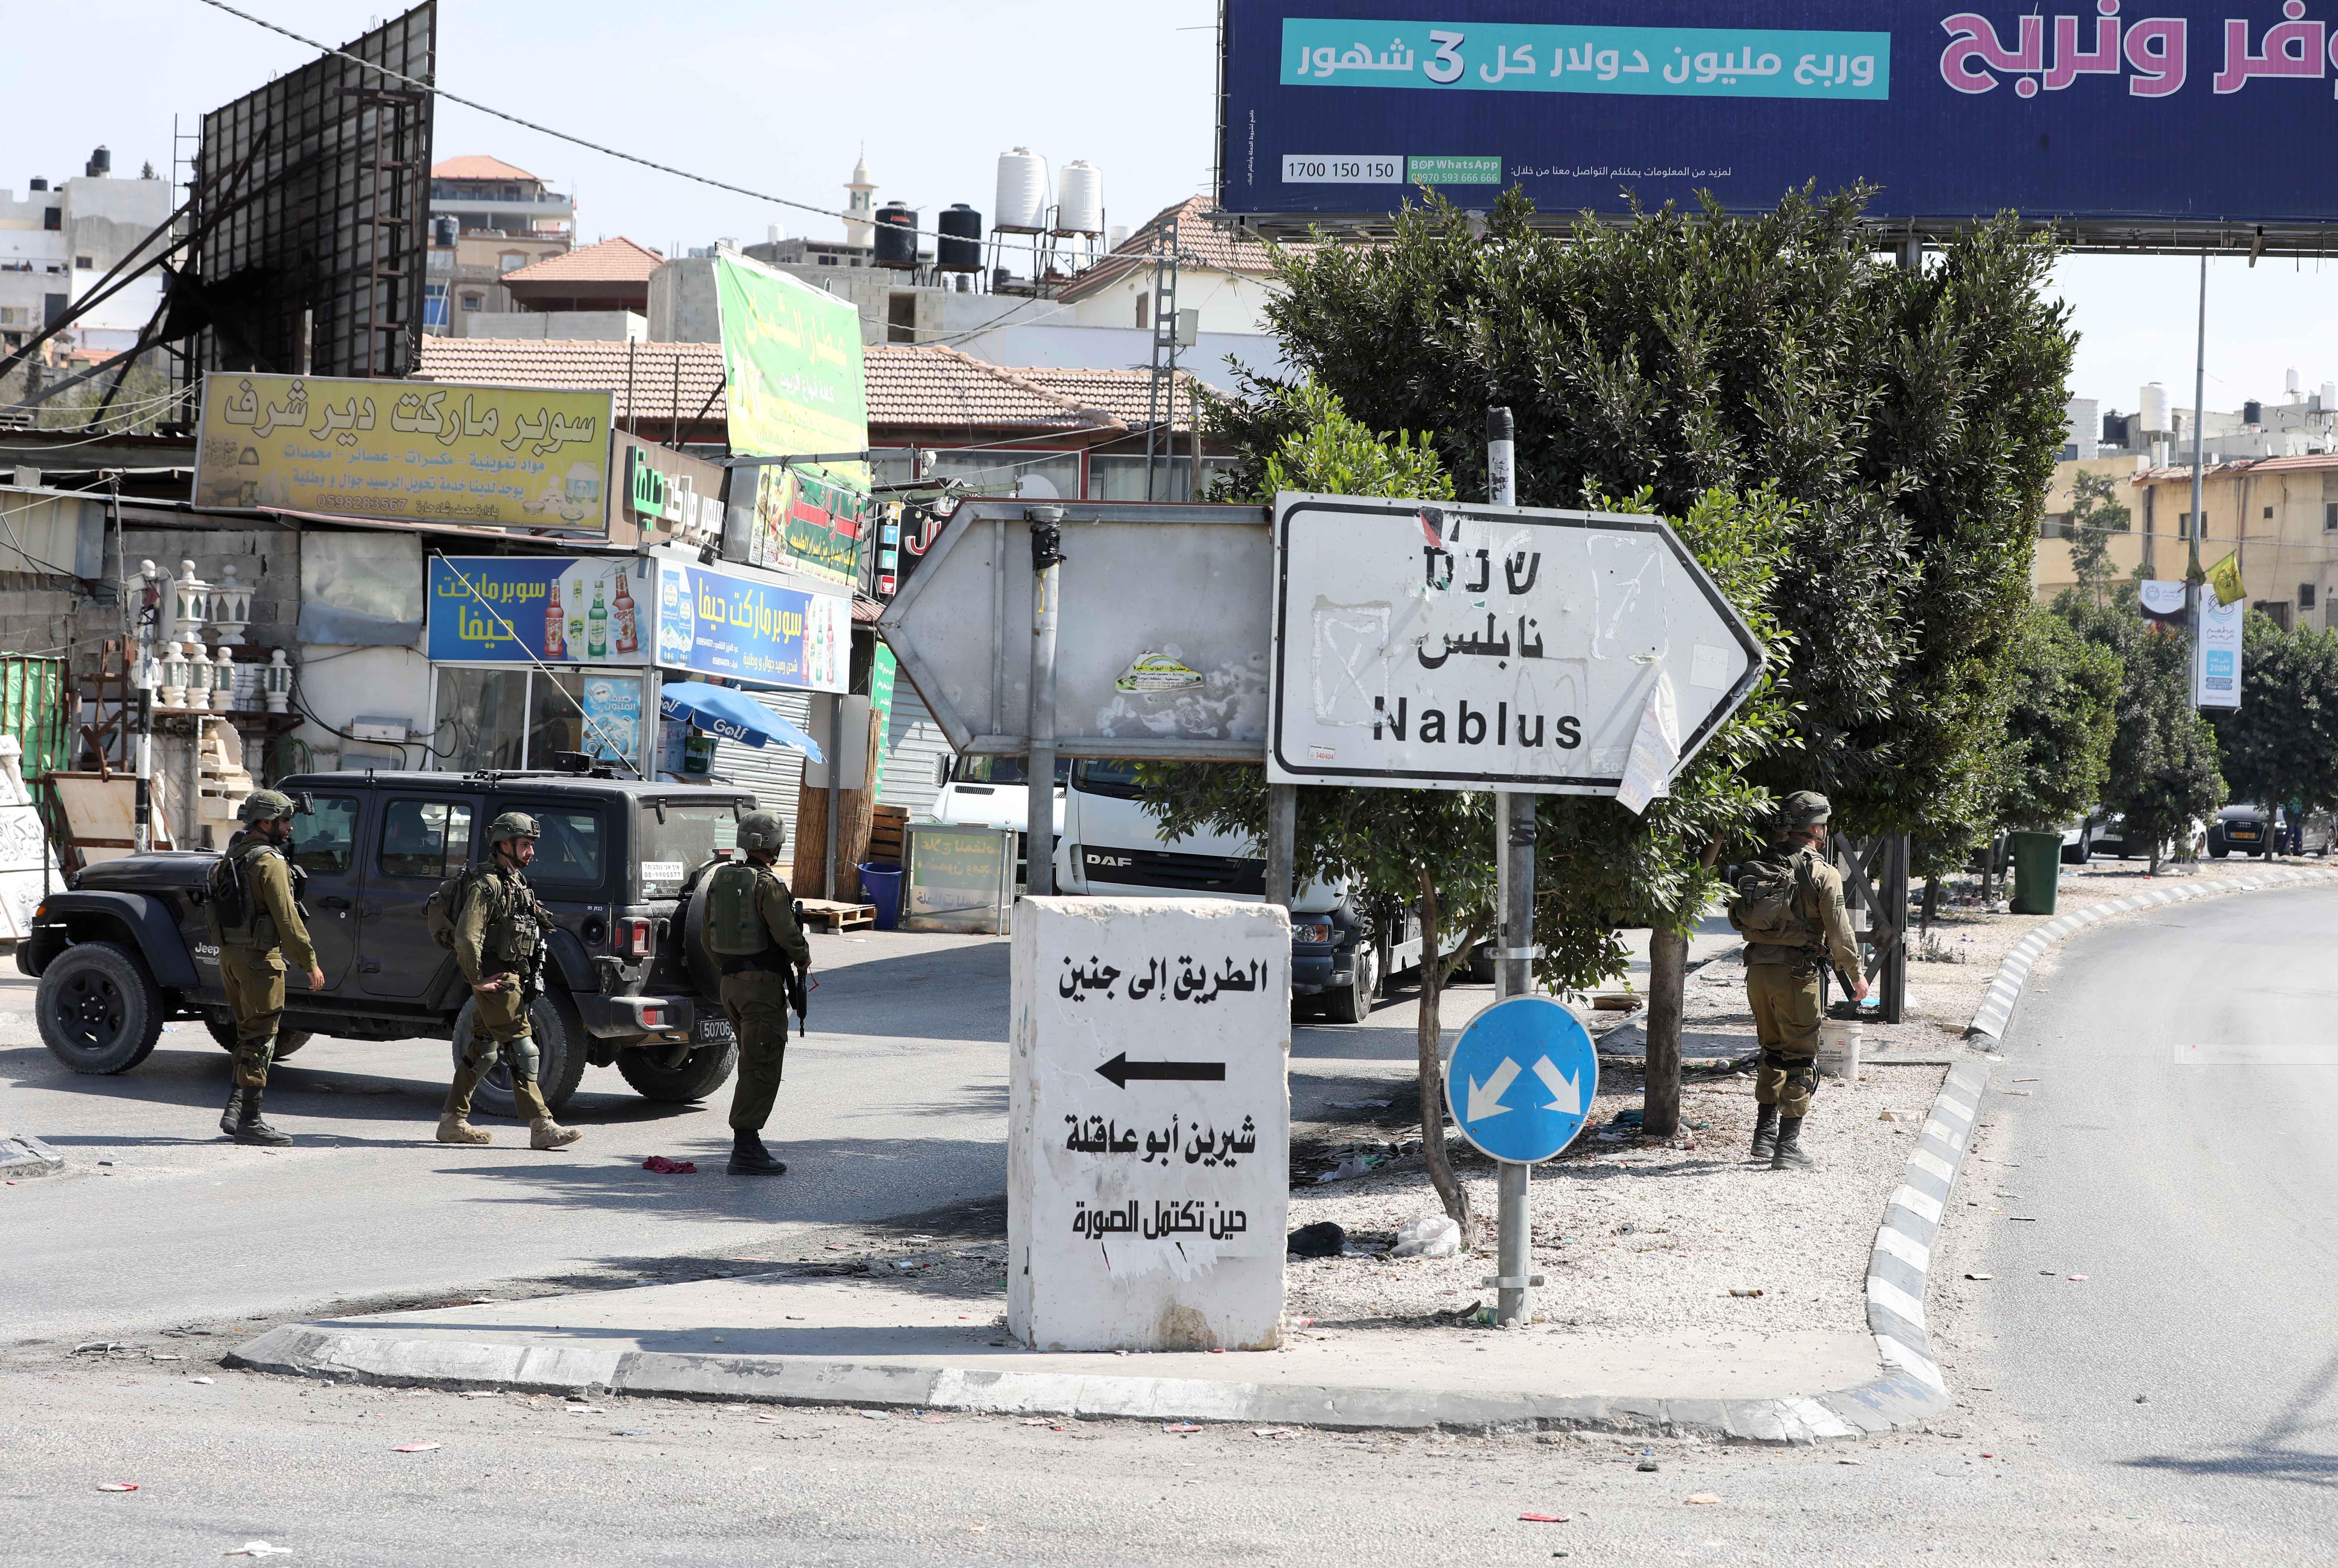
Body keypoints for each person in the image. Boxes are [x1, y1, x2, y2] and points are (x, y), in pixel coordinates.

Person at [1728, 790, 1868, 1171]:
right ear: (1817, 828)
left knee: (1771, 1050)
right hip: (1796, 974)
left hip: (1758, 971)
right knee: (1801, 1057)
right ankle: (1787, 1147)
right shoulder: (1822, 873)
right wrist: (1856, 975)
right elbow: (1839, 931)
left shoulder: (1761, 865)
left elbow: (1736, 917)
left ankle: (1763, 1136)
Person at [439, 812, 581, 1150]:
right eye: (525, 845)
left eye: (532, 845)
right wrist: (477, 980)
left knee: (484, 1051)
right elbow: (467, 937)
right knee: (523, 1049)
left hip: (513, 976)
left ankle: (452, 1122)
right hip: (498, 980)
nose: (532, 851)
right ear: (505, 845)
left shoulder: (514, 881)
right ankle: (541, 1126)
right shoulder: (486, 885)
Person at [695, 810, 812, 1175]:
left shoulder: (721, 879)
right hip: (760, 989)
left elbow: (706, 936)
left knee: (751, 1060)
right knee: (760, 1066)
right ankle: (746, 1147)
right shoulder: (767, 884)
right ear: (774, 845)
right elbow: (786, 932)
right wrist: (802, 957)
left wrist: (733, 967)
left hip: (731, 984)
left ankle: (747, 1143)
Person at [211, 791, 325, 1146]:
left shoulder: (235, 853)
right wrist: (310, 963)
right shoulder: (270, 862)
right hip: (260, 961)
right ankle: (251, 1122)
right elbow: (288, 919)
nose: (290, 827)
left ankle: (235, 1111)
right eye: (284, 820)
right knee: (261, 1037)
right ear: (265, 822)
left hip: (232, 957)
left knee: (248, 1033)